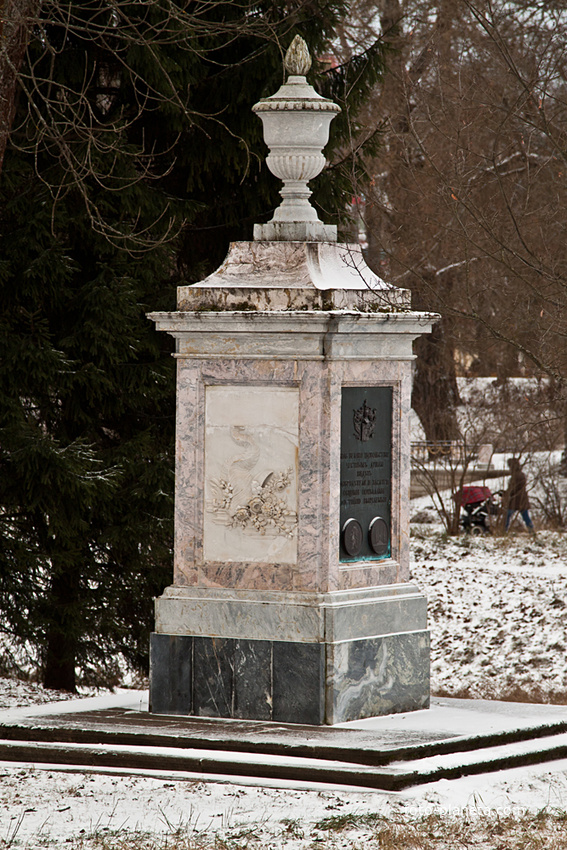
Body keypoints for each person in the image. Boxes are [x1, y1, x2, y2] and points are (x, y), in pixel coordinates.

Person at [504, 458, 534, 532]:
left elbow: (513, 488)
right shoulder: (521, 475)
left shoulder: (516, 476)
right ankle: (531, 530)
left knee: (507, 516)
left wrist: (506, 494)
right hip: (522, 499)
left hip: (515, 500)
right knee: (526, 516)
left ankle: (504, 530)